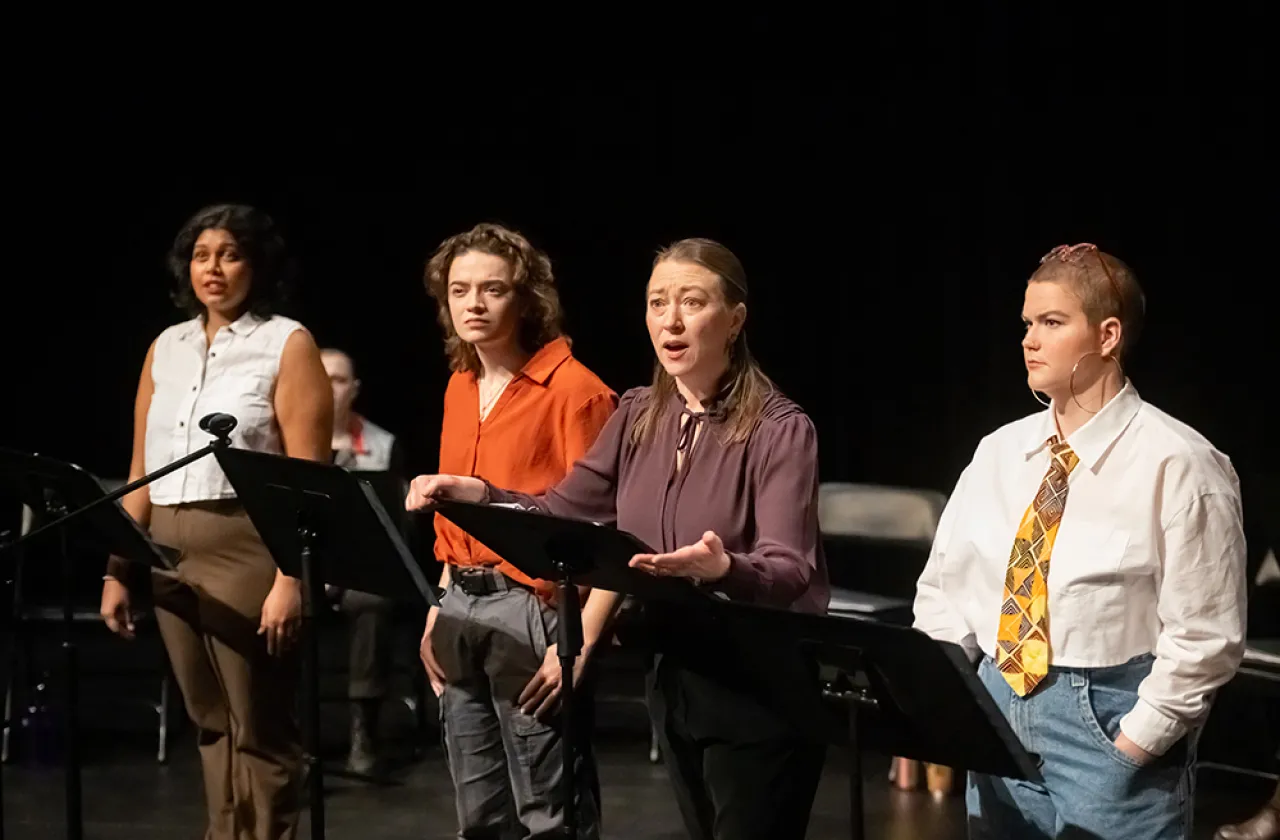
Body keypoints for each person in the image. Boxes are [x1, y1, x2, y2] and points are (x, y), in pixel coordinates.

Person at [407, 237, 831, 840]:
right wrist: (480, 493)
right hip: (677, 673)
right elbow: (561, 511)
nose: (671, 320)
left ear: (735, 319)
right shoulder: (638, 414)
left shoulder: (779, 429)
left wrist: (723, 569)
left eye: (692, 302)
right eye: (658, 303)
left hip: (758, 686)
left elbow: (791, 571)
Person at [913, 243, 1247, 839]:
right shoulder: (1000, 453)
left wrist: (1134, 745)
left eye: (1051, 322)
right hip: (997, 711)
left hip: (1105, 722)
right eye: (1026, 324)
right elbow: (944, 586)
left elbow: (1206, 633)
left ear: (1107, 335)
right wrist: (949, 701)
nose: (1029, 341)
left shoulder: (1178, 463)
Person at [99, 204, 332, 840]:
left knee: (259, 723)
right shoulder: (166, 347)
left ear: (257, 266)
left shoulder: (285, 342)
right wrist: (118, 570)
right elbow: (141, 469)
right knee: (208, 720)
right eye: (202, 256)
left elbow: (308, 478)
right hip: (165, 548)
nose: (214, 269)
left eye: (230, 255)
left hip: (247, 545)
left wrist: (291, 578)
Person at [415, 223, 617, 839]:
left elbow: (609, 530)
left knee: (550, 814)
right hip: (460, 603)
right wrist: (437, 608)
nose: (473, 304)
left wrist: (575, 643)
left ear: (526, 299)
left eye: (493, 289)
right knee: (479, 816)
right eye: (459, 290)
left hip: (536, 608)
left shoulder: (576, 391)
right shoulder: (460, 385)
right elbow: (454, 514)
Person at [320, 347, 406, 776]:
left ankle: (363, 731)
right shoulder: (285, 437)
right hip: (301, 567)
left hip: (359, 567)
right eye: (319, 378)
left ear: (353, 390)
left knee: (371, 601)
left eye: (337, 380)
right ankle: (288, 732)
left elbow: (396, 523)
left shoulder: (381, 444)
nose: (327, 388)